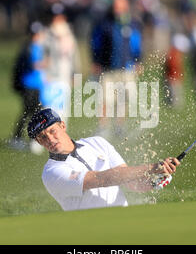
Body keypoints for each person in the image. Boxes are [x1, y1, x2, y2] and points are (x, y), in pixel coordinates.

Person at [28, 108, 179, 211]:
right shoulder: (52, 172)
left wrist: (154, 180)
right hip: (92, 231)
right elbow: (101, 179)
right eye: (42, 137)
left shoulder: (97, 142)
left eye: (52, 131)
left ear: (62, 126)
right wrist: (151, 168)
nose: (50, 139)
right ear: (39, 142)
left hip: (124, 220)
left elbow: (131, 183)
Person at [90, 0, 143, 138]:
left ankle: (120, 126)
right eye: (115, 4)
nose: (116, 7)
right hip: (107, 68)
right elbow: (95, 43)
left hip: (126, 69)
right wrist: (95, 61)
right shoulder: (104, 23)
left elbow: (136, 44)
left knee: (123, 98)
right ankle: (103, 127)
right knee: (105, 99)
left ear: (125, 5)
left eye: (119, 4)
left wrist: (138, 61)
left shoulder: (132, 23)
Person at [10, 22, 46, 153]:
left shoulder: (39, 47)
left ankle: (31, 139)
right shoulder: (27, 48)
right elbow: (29, 66)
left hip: (38, 85)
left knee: (35, 112)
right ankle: (18, 138)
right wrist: (44, 64)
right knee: (28, 112)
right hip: (28, 84)